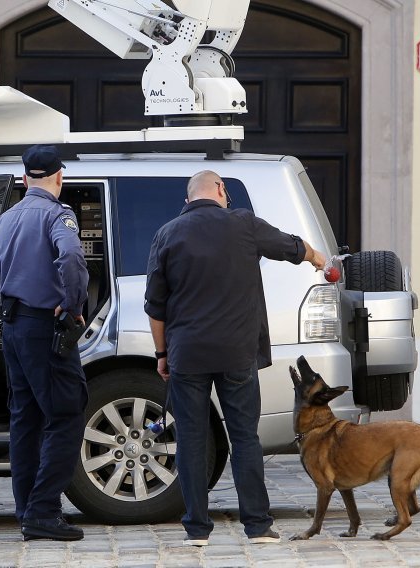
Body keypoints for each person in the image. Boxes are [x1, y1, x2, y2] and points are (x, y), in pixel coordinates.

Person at [144, 170, 327, 547]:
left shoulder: (167, 233)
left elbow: (155, 306)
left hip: (187, 354)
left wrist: (162, 354)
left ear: (188, 197)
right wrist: (316, 257)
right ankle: (258, 526)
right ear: (221, 190)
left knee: (192, 440)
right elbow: (289, 247)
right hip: (237, 353)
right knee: (244, 438)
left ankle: (196, 529)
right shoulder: (242, 223)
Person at [0, 144, 89, 541]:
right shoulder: (59, 215)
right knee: (66, 415)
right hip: (46, 328)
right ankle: (43, 511)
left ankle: (27, 509)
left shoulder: (6, 218)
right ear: (59, 177)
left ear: (25, 179)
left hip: (12, 328)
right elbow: (73, 259)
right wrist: (73, 304)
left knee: (25, 419)